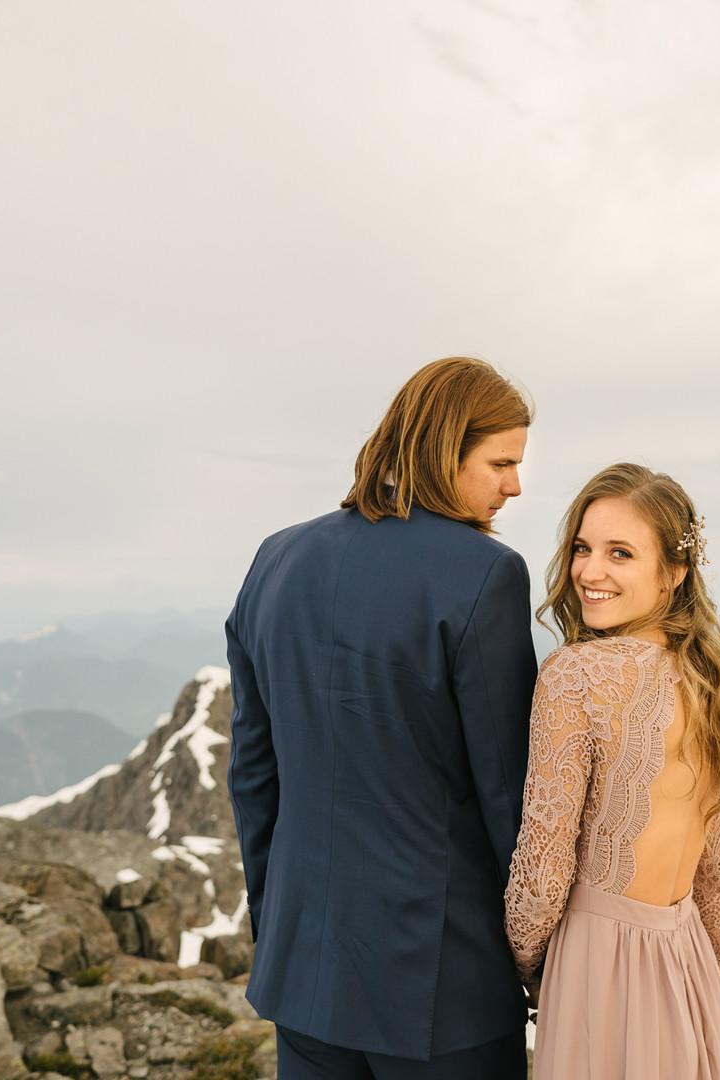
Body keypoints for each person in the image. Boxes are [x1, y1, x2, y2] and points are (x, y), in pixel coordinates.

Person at [224, 357, 539, 1079]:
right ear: (443, 447)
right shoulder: (485, 572)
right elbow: (510, 794)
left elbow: (253, 778)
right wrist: (544, 962)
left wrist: (280, 932)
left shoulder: (275, 559)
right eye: (501, 463)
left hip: (304, 979)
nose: (514, 486)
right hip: (442, 989)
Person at [504, 462, 720, 1080]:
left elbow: (544, 870)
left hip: (599, 972)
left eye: (620, 553)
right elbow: (717, 877)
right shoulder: (708, 679)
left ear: (674, 573)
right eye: (582, 548)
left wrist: (521, 968)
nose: (590, 572)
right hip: (689, 969)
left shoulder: (576, 675)